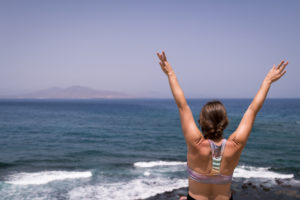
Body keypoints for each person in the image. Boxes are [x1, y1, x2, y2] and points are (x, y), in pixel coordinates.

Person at [156, 51, 288, 200]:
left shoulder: (196, 144)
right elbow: (252, 110)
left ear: (201, 122)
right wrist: (267, 81)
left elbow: (183, 106)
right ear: (225, 122)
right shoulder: (235, 145)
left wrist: (171, 74)